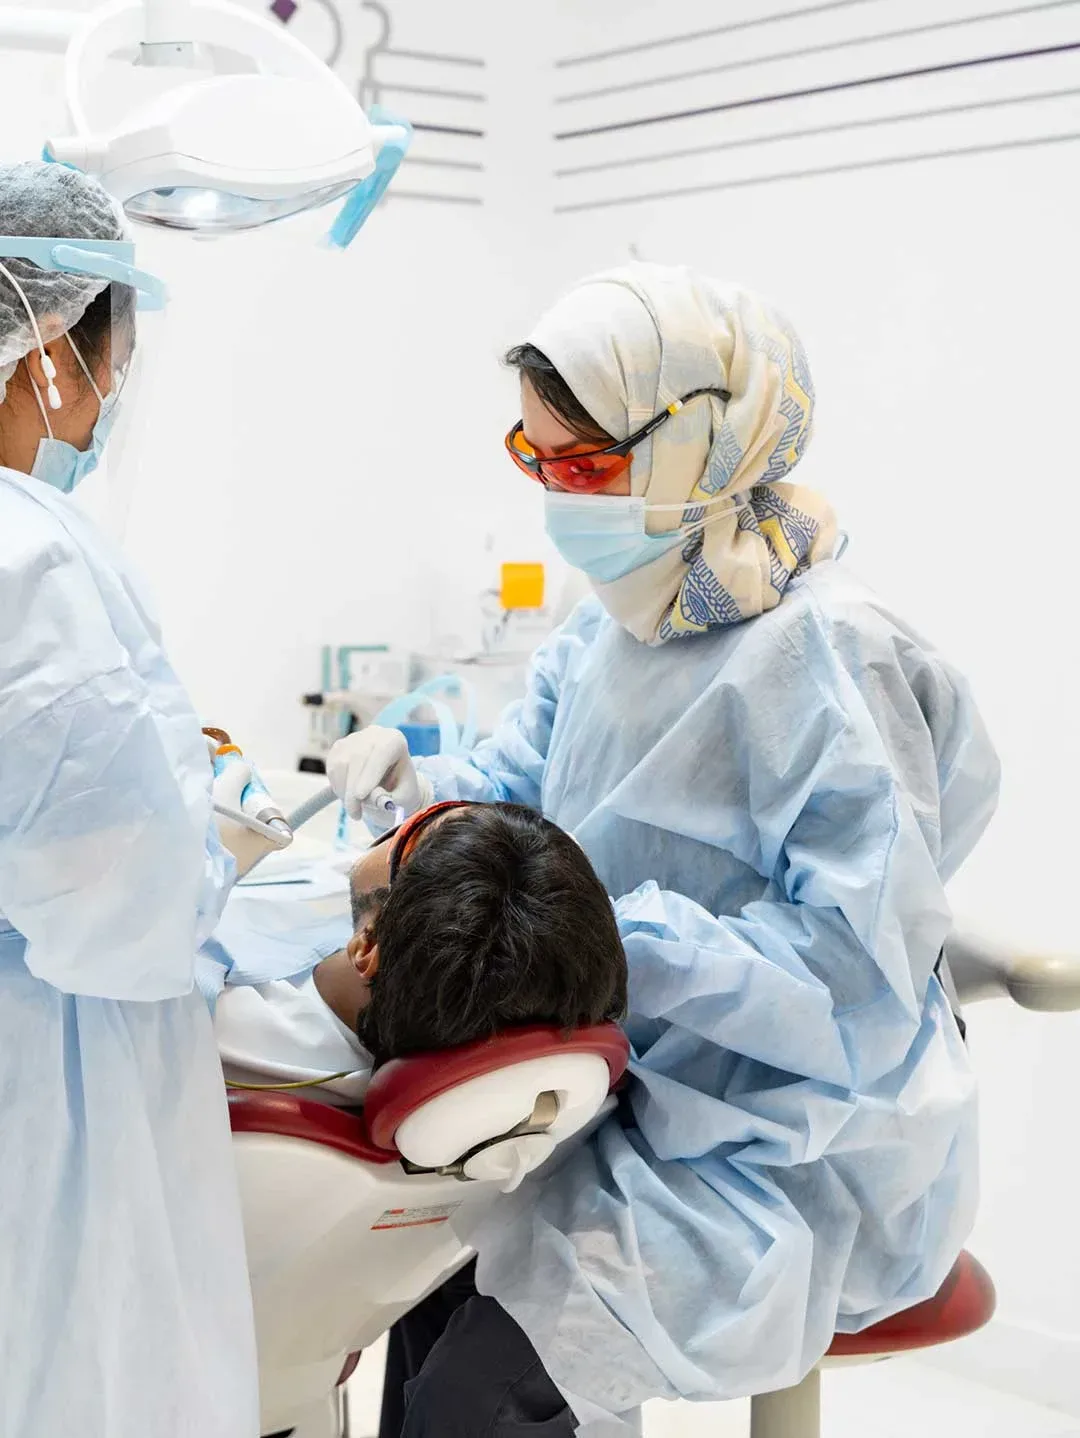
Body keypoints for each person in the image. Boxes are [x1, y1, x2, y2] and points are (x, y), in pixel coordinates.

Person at [326, 265, 1001, 1436]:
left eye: (583, 466)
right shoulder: (611, 622)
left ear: (697, 446)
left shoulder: (829, 660)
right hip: (630, 1098)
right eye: (533, 461)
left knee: (479, 1394)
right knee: (420, 1295)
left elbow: (859, 985)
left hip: (791, 1148)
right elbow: (525, 799)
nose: (557, 499)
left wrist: (617, 935)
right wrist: (421, 798)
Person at [0, 161, 258, 1437]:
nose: (110, 399)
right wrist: (220, 858)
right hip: (44, 1096)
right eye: (115, 358)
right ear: (50, 349)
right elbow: (132, 915)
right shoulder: (32, 562)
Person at [213, 801, 627, 1102]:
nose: (405, 821)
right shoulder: (484, 980)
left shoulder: (219, 1022)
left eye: (414, 833)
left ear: (368, 946)